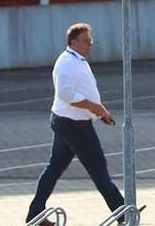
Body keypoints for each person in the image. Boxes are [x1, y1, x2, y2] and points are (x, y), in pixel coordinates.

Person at [28, 22, 126, 225]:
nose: (90, 44)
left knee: (54, 169)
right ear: (73, 42)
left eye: (91, 40)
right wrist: (95, 108)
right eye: (86, 41)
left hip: (70, 122)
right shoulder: (67, 62)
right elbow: (66, 94)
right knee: (98, 169)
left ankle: (34, 214)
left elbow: (83, 90)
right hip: (74, 125)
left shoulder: (77, 60)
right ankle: (123, 213)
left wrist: (100, 111)